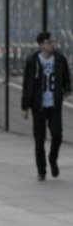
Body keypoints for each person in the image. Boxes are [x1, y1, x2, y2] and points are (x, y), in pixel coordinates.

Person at [20, 30, 71, 181]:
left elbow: (67, 77)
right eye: (49, 42)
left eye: (52, 42)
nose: (52, 44)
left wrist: (67, 89)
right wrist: (25, 107)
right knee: (39, 139)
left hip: (54, 105)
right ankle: (41, 170)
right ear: (41, 45)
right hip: (38, 106)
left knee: (57, 134)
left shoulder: (60, 59)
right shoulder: (33, 61)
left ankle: (52, 159)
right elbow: (27, 85)